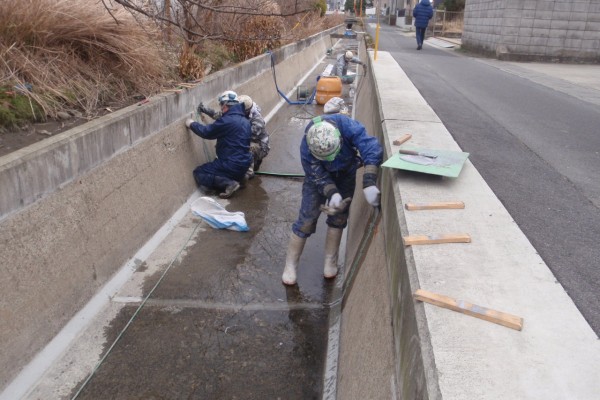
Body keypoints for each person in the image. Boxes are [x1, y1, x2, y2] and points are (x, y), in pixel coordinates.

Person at [281, 113, 383, 286]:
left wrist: (369, 180)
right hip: (317, 181)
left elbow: (370, 146)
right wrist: (332, 193)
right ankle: (290, 265)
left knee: (339, 217)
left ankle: (330, 260)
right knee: (307, 219)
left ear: (339, 139)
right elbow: (316, 174)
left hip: (346, 173)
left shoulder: (345, 125)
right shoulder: (307, 146)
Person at [185, 90, 252, 199]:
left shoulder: (227, 121)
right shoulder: (245, 121)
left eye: (221, 104)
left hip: (230, 164)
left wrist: (191, 124)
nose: (221, 108)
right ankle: (240, 177)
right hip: (244, 164)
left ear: (225, 105)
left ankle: (229, 183)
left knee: (199, 172)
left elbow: (206, 132)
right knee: (225, 165)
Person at [198, 95, 270, 180]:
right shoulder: (238, 113)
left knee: (244, 146)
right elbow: (218, 115)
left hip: (261, 147)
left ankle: (248, 173)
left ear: (246, 111)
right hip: (248, 141)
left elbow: (244, 136)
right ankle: (250, 164)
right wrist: (204, 109)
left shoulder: (257, 120)